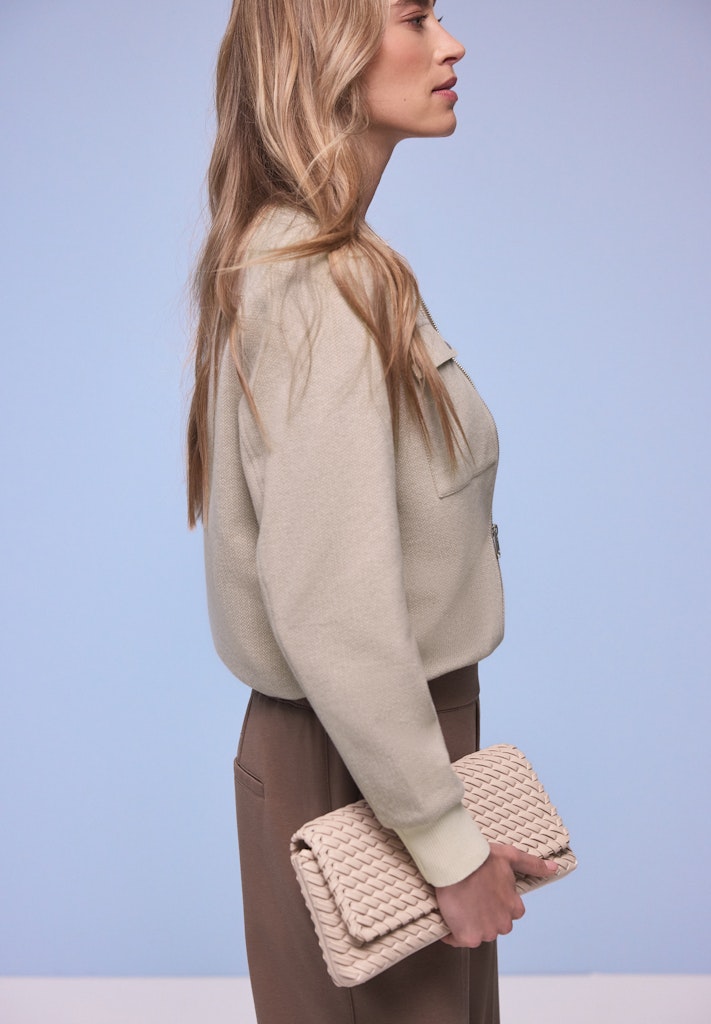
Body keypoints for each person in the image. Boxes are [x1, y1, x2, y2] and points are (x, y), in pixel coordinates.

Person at [187, 1, 557, 1021]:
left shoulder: (322, 262)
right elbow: (332, 607)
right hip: (361, 760)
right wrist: (444, 841)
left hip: (375, 748)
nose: (451, 42)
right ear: (328, 52)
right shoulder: (320, 282)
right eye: (414, 17)